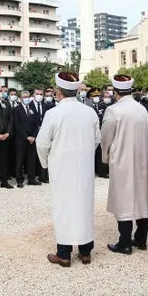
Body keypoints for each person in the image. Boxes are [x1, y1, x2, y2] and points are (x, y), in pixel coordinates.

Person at [37, 72, 101, 267]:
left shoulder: (53, 113)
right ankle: (85, 252)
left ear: (58, 92)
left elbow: (42, 143)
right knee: (84, 206)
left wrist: (46, 164)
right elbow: (97, 139)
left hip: (61, 168)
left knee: (63, 208)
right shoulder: (89, 112)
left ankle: (64, 254)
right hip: (84, 168)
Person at [101, 75, 148, 254]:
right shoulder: (141, 109)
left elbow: (106, 137)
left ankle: (125, 243)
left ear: (115, 92)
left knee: (123, 199)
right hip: (142, 159)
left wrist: (105, 156)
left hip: (122, 159)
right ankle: (141, 239)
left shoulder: (113, 111)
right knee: (141, 196)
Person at [12, 90, 39, 187]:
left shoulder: (33, 108)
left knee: (31, 160)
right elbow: (17, 125)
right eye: (24, 97)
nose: (27, 99)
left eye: (28, 97)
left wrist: (34, 136)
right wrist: (26, 136)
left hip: (32, 139)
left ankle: (31, 179)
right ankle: (19, 180)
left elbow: (37, 124)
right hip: (21, 139)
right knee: (20, 160)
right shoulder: (16, 109)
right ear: (20, 98)